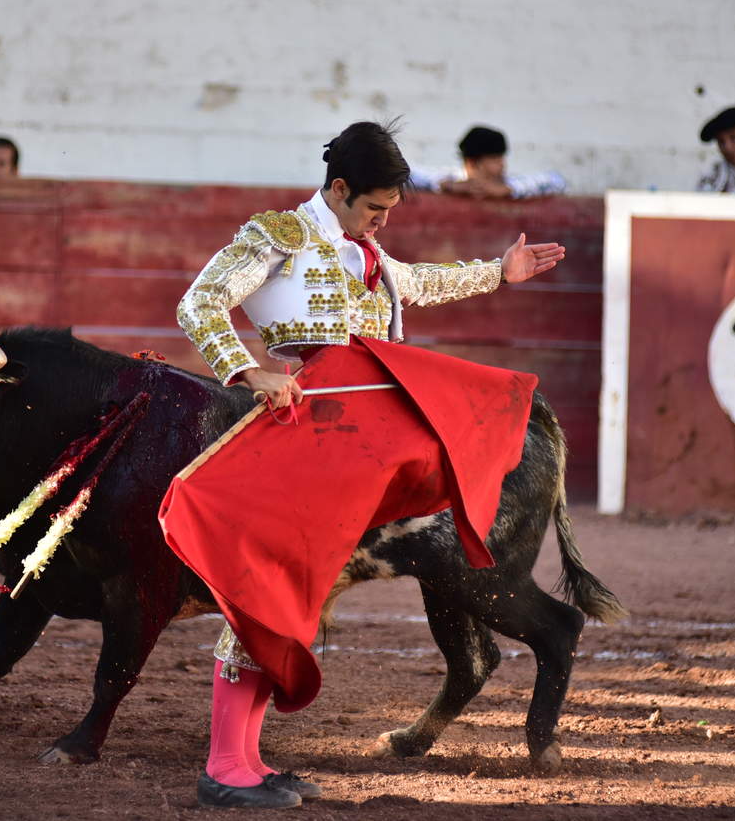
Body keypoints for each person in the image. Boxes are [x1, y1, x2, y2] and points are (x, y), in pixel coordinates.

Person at [171, 120, 564, 809]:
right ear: (341, 188)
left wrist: (499, 272)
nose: (382, 223)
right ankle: (225, 768)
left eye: (388, 213)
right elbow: (199, 301)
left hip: (357, 448)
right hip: (305, 433)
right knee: (271, 588)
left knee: (298, 596)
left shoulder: (366, 251)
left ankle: (245, 761)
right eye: (376, 209)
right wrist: (246, 370)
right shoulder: (281, 236)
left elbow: (419, 282)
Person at [409, 124, 566, 199]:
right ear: (472, 163)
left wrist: (509, 190)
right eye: (495, 159)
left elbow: (556, 180)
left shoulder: (507, 183)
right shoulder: (452, 178)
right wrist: (446, 185)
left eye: (502, 158)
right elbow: (406, 174)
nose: (502, 164)